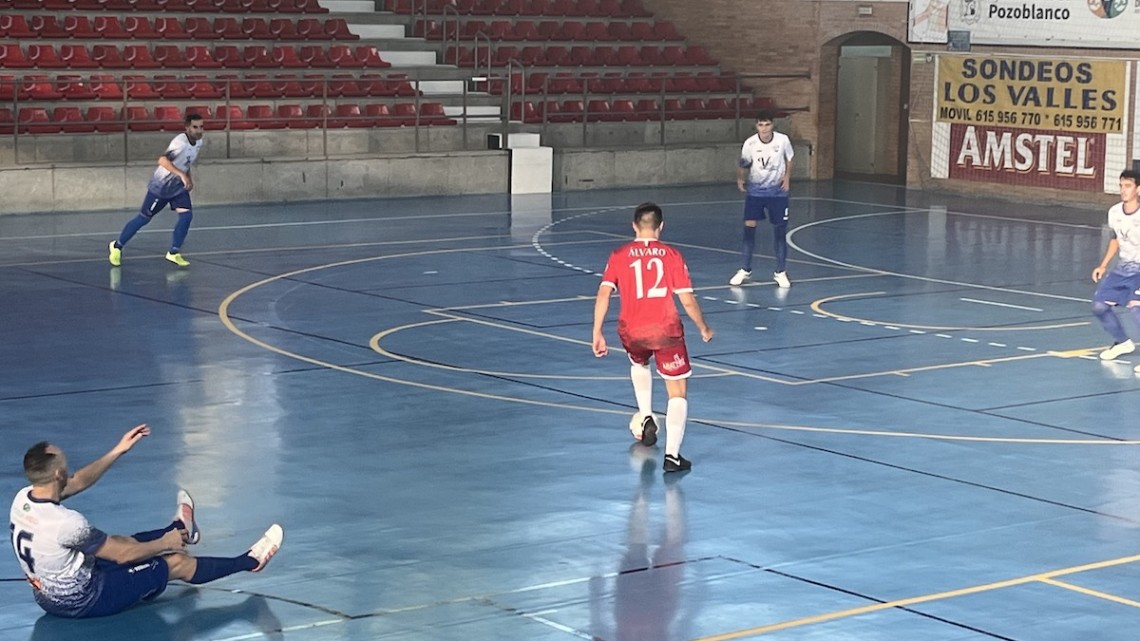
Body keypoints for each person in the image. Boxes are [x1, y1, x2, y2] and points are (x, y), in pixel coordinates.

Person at [9, 424, 283, 619]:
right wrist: (164, 544)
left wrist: (119, 450)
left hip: (47, 597)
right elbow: (124, 556)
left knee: (121, 541)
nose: (69, 468)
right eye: (65, 462)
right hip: (83, 600)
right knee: (175, 561)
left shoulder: (24, 498)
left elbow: (78, 481)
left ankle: (180, 528)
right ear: (58, 473)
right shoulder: (66, 523)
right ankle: (250, 561)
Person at [592, 202, 714, 472]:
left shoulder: (619, 254)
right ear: (661, 227)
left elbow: (603, 294)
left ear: (635, 226)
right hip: (665, 330)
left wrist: (597, 331)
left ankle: (646, 415)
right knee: (677, 391)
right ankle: (672, 456)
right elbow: (687, 300)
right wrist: (703, 327)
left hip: (631, 330)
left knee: (639, 363)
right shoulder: (671, 255)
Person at [108, 112, 205, 269]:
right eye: (195, 127)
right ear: (187, 128)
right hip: (161, 187)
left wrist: (188, 177)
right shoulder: (179, 142)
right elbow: (162, 160)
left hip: (178, 188)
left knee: (186, 216)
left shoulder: (199, 143)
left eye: (201, 127)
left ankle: (174, 252)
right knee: (144, 218)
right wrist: (181, 175)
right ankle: (117, 246)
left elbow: (185, 163)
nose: (199, 130)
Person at [730, 109, 795, 289]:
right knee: (749, 228)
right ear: (756, 126)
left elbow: (790, 158)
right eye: (760, 125)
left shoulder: (782, 140)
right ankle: (745, 269)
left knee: (780, 231)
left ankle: (780, 272)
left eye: (767, 124)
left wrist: (787, 177)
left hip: (778, 193)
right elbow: (744, 163)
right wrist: (741, 178)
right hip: (755, 193)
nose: (764, 128)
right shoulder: (750, 143)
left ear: (772, 125)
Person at [1091, 169, 1140, 373]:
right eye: (1121, 185)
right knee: (1099, 306)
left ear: (1138, 189)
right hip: (1123, 269)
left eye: (1128, 186)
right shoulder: (1114, 212)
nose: (1123, 190)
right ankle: (1122, 342)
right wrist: (1103, 265)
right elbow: (1115, 239)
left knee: (1136, 307)